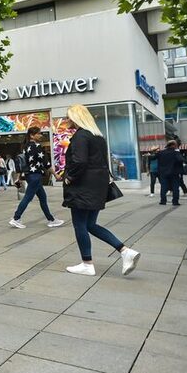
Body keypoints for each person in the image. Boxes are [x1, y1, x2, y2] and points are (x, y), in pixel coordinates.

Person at [62, 105, 140, 276]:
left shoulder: (81, 135)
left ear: (76, 117)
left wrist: (69, 177)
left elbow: (80, 161)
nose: (66, 120)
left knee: (80, 224)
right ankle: (125, 251)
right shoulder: (97, 136)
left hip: (83, 186)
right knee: (90, 224)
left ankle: (87, 263)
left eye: (68, 117)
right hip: (98, 185)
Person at [10, 127, 65, 229]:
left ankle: (51, 220)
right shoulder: (37, 146)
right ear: (32, 135)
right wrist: (55, 174)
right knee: (28, 197)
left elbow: (21, 163)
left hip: (30, 176)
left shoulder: (25, 147)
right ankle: (16, 218)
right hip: (35, 176)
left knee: (43, 198)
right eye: (38, 134)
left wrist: (18, 177)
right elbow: (46, 163)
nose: (40, 135)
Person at [157, 140, 183, 206]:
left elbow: (158, 161)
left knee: (163, 187)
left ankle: (163, 201)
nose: (176, 146)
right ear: (173, 145)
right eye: (176, 145)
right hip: (174, 172)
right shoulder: (176, 153)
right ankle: (175, 201)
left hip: (163, 172)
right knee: (175, 187)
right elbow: (180, 160)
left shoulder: (161, 153)